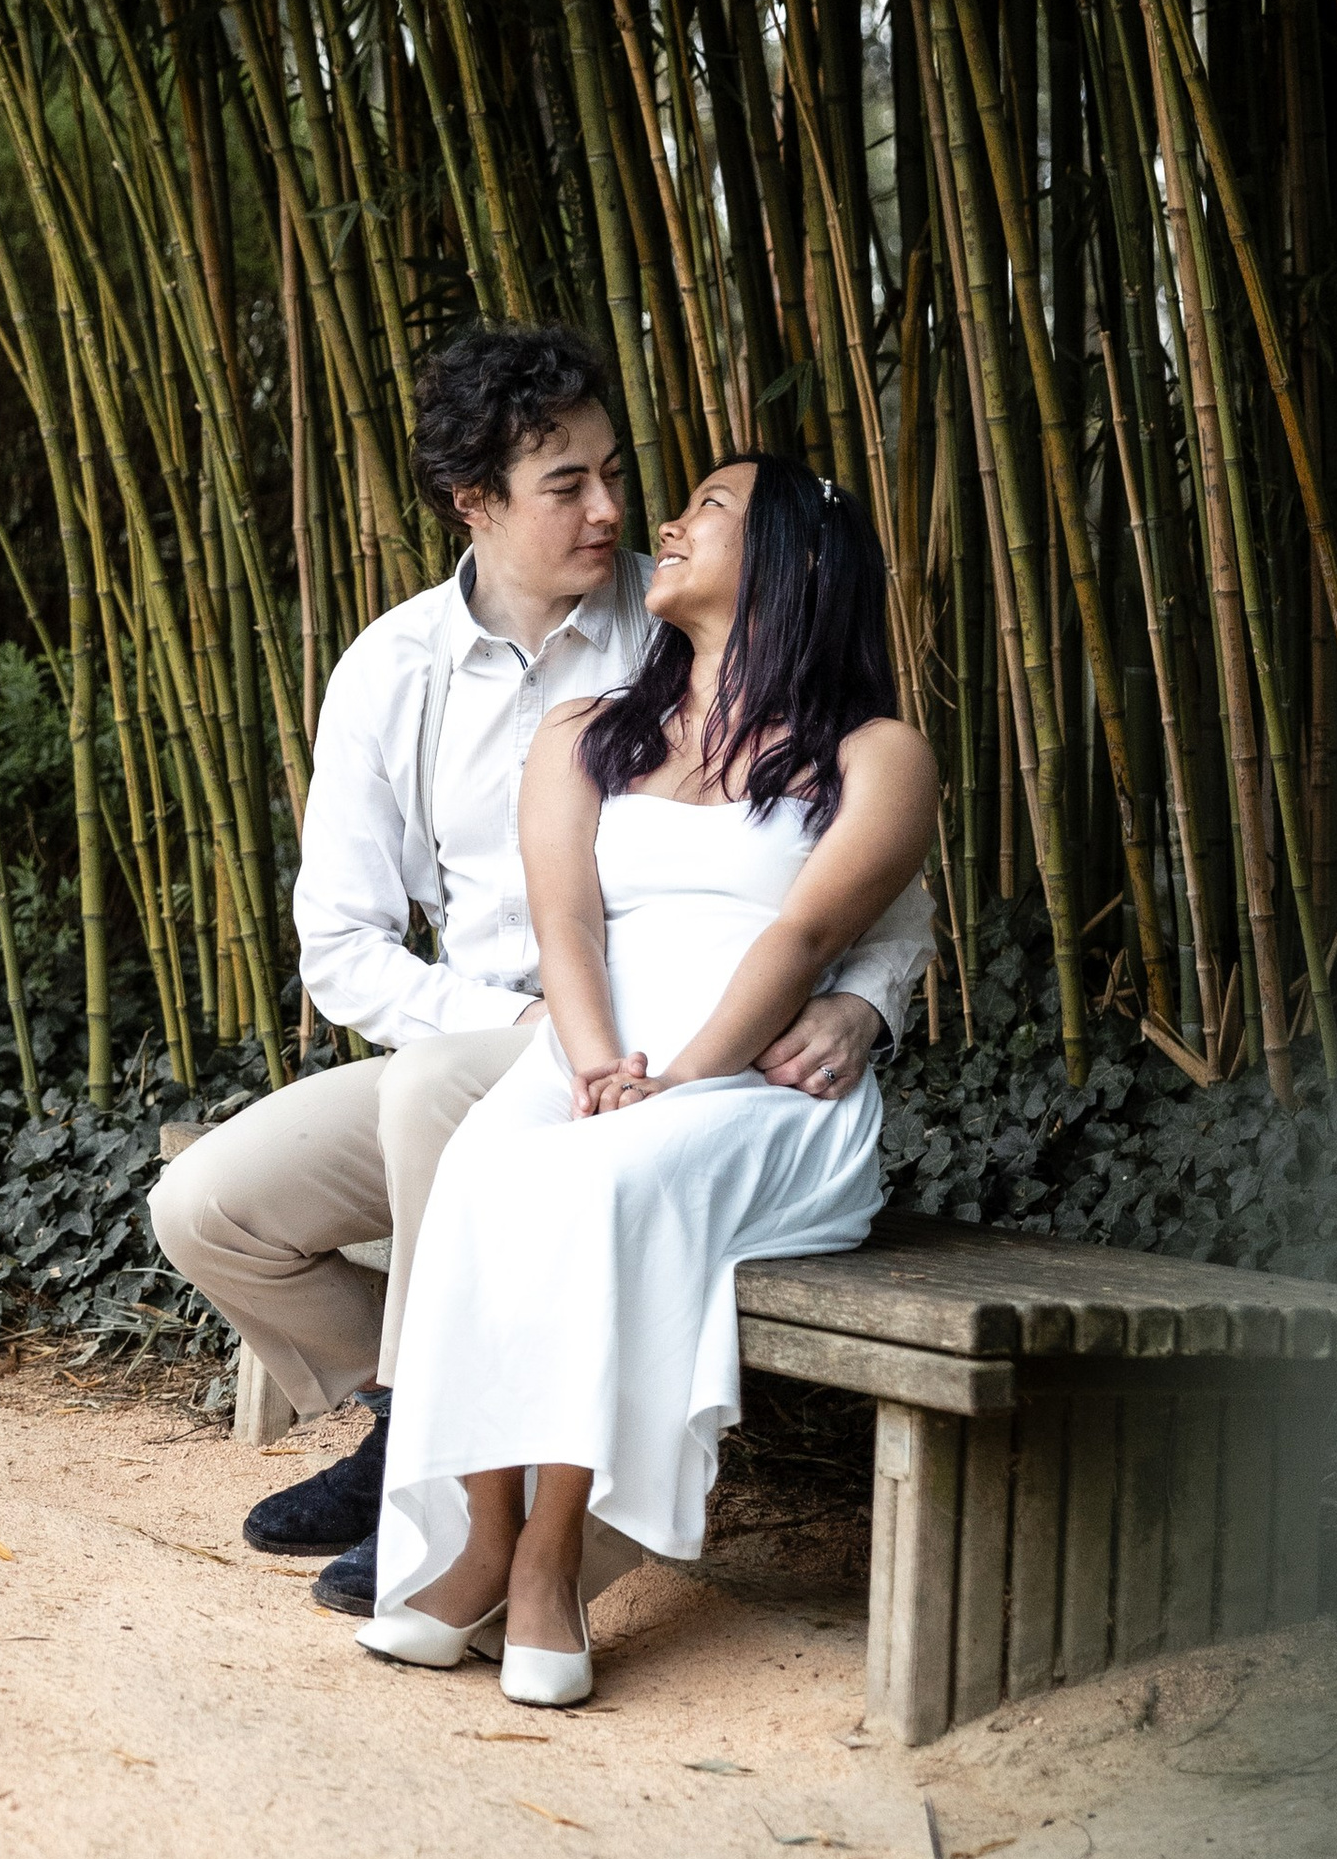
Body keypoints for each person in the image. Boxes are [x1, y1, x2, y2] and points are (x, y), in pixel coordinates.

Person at [150, 328, 933, 1618]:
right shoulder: (391, 671)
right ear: (477, 503)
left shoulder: (694, 623)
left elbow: (850, 875)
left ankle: (449, 1474)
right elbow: (342, 945)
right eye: (566, 485)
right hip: (503, 1026)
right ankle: (408, 1411)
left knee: (432, 1100)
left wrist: (860, 1003)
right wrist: (524, 1022)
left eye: (616, 473)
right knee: (205, 1209)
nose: (615, 510)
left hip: (669, 1043)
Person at [358, 450, 938, 1707]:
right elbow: (564, 924)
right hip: (601, 1053)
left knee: (603, 1184)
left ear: (791, 561)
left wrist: (675, 1080)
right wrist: (592, 1065)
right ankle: (483, 1533)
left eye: (707, 511)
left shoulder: (876, 753)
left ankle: (551, 1558)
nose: (662, 525)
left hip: (760, 1091)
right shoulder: (587, 731)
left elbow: (800, 941)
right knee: (484, 1163)